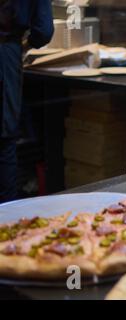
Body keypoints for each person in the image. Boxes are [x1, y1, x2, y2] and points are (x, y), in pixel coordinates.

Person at [0, 0, 54, 203]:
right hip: (5, 53)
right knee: (4, 140)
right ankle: (6, 223)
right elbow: (44, 30)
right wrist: (25, 45)